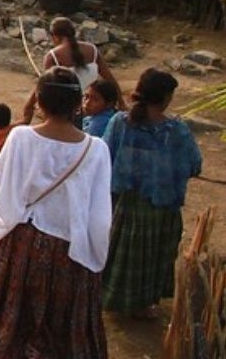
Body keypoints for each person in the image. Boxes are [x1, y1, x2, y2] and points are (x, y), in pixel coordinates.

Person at [0, 67, 112, 359]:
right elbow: (100, 215)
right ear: (78, 104)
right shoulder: (97, 150)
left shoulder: (21, 138)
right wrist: (95, 258)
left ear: (39, 101)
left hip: (20, 246)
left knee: (11, 318)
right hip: (70, 252)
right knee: (63, 326)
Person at [101, 68, 202, 319]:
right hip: (161, 207)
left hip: (123, 204)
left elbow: (103, 157)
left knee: (120, 254)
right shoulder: (175, 130)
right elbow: (193, 165)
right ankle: (142, 305)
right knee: (152, 258)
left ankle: (110, 297)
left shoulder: (119, 123)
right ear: (166, 97)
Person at [22, 17, 122, 124]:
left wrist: (29, 105)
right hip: (93, 110)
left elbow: (44, 86)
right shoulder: (92, 50)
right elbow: (110, 79)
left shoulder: (53, 56)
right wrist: (122, 102)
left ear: (55, 36)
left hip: (67, 112)